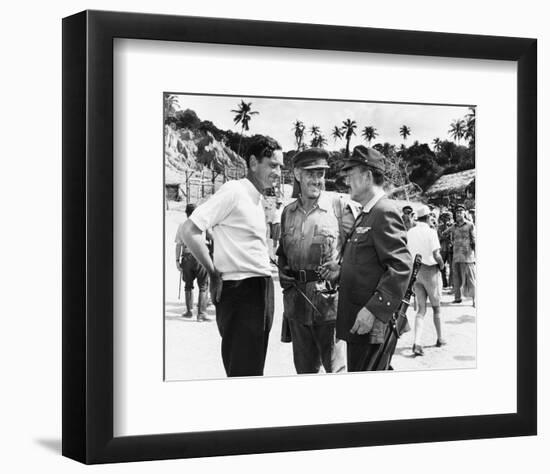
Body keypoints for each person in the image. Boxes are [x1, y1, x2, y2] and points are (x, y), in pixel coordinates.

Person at [178, 136, 284, 377]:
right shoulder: (235, 191)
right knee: (243, 373)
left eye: (280, 167)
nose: (278, 172)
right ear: (254, 162)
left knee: (253, 370)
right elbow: (189, 230)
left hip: (259, 289)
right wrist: (213, 273)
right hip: (242, 291)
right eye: (273, 165)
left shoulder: (256, 198)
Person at [327, 145, 412, 372]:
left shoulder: (383, 212)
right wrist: (340, 271)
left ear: (366, 176)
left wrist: (374, 310)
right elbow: (368, 262)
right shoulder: (367, 213)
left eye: (351, 176)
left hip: (369, 322)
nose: (347, 182)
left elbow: (401, 266)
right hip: (358, 321)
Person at [277, 148, 359, 374]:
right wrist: (283, 267)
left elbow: (361, 248)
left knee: (336, 371)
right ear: (297, 174)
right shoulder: (287, 213)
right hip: (296, 305)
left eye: (321, 174)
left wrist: (342, 268)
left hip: (330, 306)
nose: (317, 180)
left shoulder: (339, 207)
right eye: (311, 174)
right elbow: (282, 250)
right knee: (305, 372)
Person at [406, 205, 446, 356]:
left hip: (416, 271)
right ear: (428, 217)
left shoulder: (410, 232)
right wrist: (442, 266)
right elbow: (436, 255)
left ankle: (417, 342)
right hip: (430, 271)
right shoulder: (431, 232)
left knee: (421, 309)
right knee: (436, 308)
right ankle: (440, 338)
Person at [175, 203, 211, 321]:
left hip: (187, 256)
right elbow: (211, 238)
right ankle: (201, 314)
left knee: (188, 285)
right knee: (203, 286)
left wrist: (177, 261)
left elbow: (178, 245)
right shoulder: (204, 224)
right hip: (200, 256)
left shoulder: (182, 226)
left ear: (186, 213)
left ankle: (189, 311)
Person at [450, 204, 476, 306]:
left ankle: (475, 300)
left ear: (465, 213)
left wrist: (475, 254)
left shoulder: (470, 225)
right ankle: (457, 298)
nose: (458, 214)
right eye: (457, 212)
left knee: (470, 279)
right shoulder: (453, 226)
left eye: (460, 212)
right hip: (456, 256)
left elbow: (474, 240)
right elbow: (444, 233)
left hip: (467, 256)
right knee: (456, 278)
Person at [438, 211, 454, 289]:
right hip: (443, 249)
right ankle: (444, 283)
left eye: (448, 218)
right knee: (442, 266)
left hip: (450, 249)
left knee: (452, 267)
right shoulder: (440, 227)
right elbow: (440, 237)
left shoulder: (453, 226)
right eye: (445, 218)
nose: (446, 220)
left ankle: (451, 283)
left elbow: (452, 237)